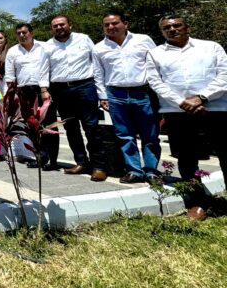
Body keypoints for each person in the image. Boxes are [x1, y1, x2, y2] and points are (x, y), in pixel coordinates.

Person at [146, 14, 227, 220]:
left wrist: (202, 98)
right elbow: (155, 82)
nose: (172, 29)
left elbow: (224, 74)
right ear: (162, 32)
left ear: (187, 27)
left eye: (177, 25)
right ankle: (197, 202)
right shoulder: (155, 54)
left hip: (215, 108)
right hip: (176, 112)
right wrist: (182, 103)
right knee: (186, 158)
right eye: (167, 28)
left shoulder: (211, 47)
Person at [93, 12, 160, 183]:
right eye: (106, 24)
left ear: (126, 24)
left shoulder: (143, 40)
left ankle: (152, 171)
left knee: (150, 135)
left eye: (114, 23)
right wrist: (103, 96)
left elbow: (157, 64)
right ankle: (134, 170)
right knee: (124, 135)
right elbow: (98, 74)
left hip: (143, 93)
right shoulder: (99, 48)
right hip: (115, 95)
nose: (110, 27)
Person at [45, 16, 107, 181]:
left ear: (69, 25)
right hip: (60, 90)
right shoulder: (48, 46)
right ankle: (81, 162)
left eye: (62, 24)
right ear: (52, 29)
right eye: (55, 26)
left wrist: (101, 91)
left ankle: (99, 166)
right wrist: (45, 89)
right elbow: (44, 69)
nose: (59, 27)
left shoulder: (83, 39)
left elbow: (96, 63)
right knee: (71, 128)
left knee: (92, 127)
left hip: (85, 87)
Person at [5, 23, 59, 170]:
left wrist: (45, 89)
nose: (22, 35)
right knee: (32, 127)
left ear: (31, 33)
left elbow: (51, 67)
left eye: (24, 32)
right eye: (19, 33)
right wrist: (11, 96)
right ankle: (40, 157)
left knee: (49, 125)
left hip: (43, 90)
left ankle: (52, 160)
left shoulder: (44, 47)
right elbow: (10, 76)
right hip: (24, 92)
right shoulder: (12, 51)